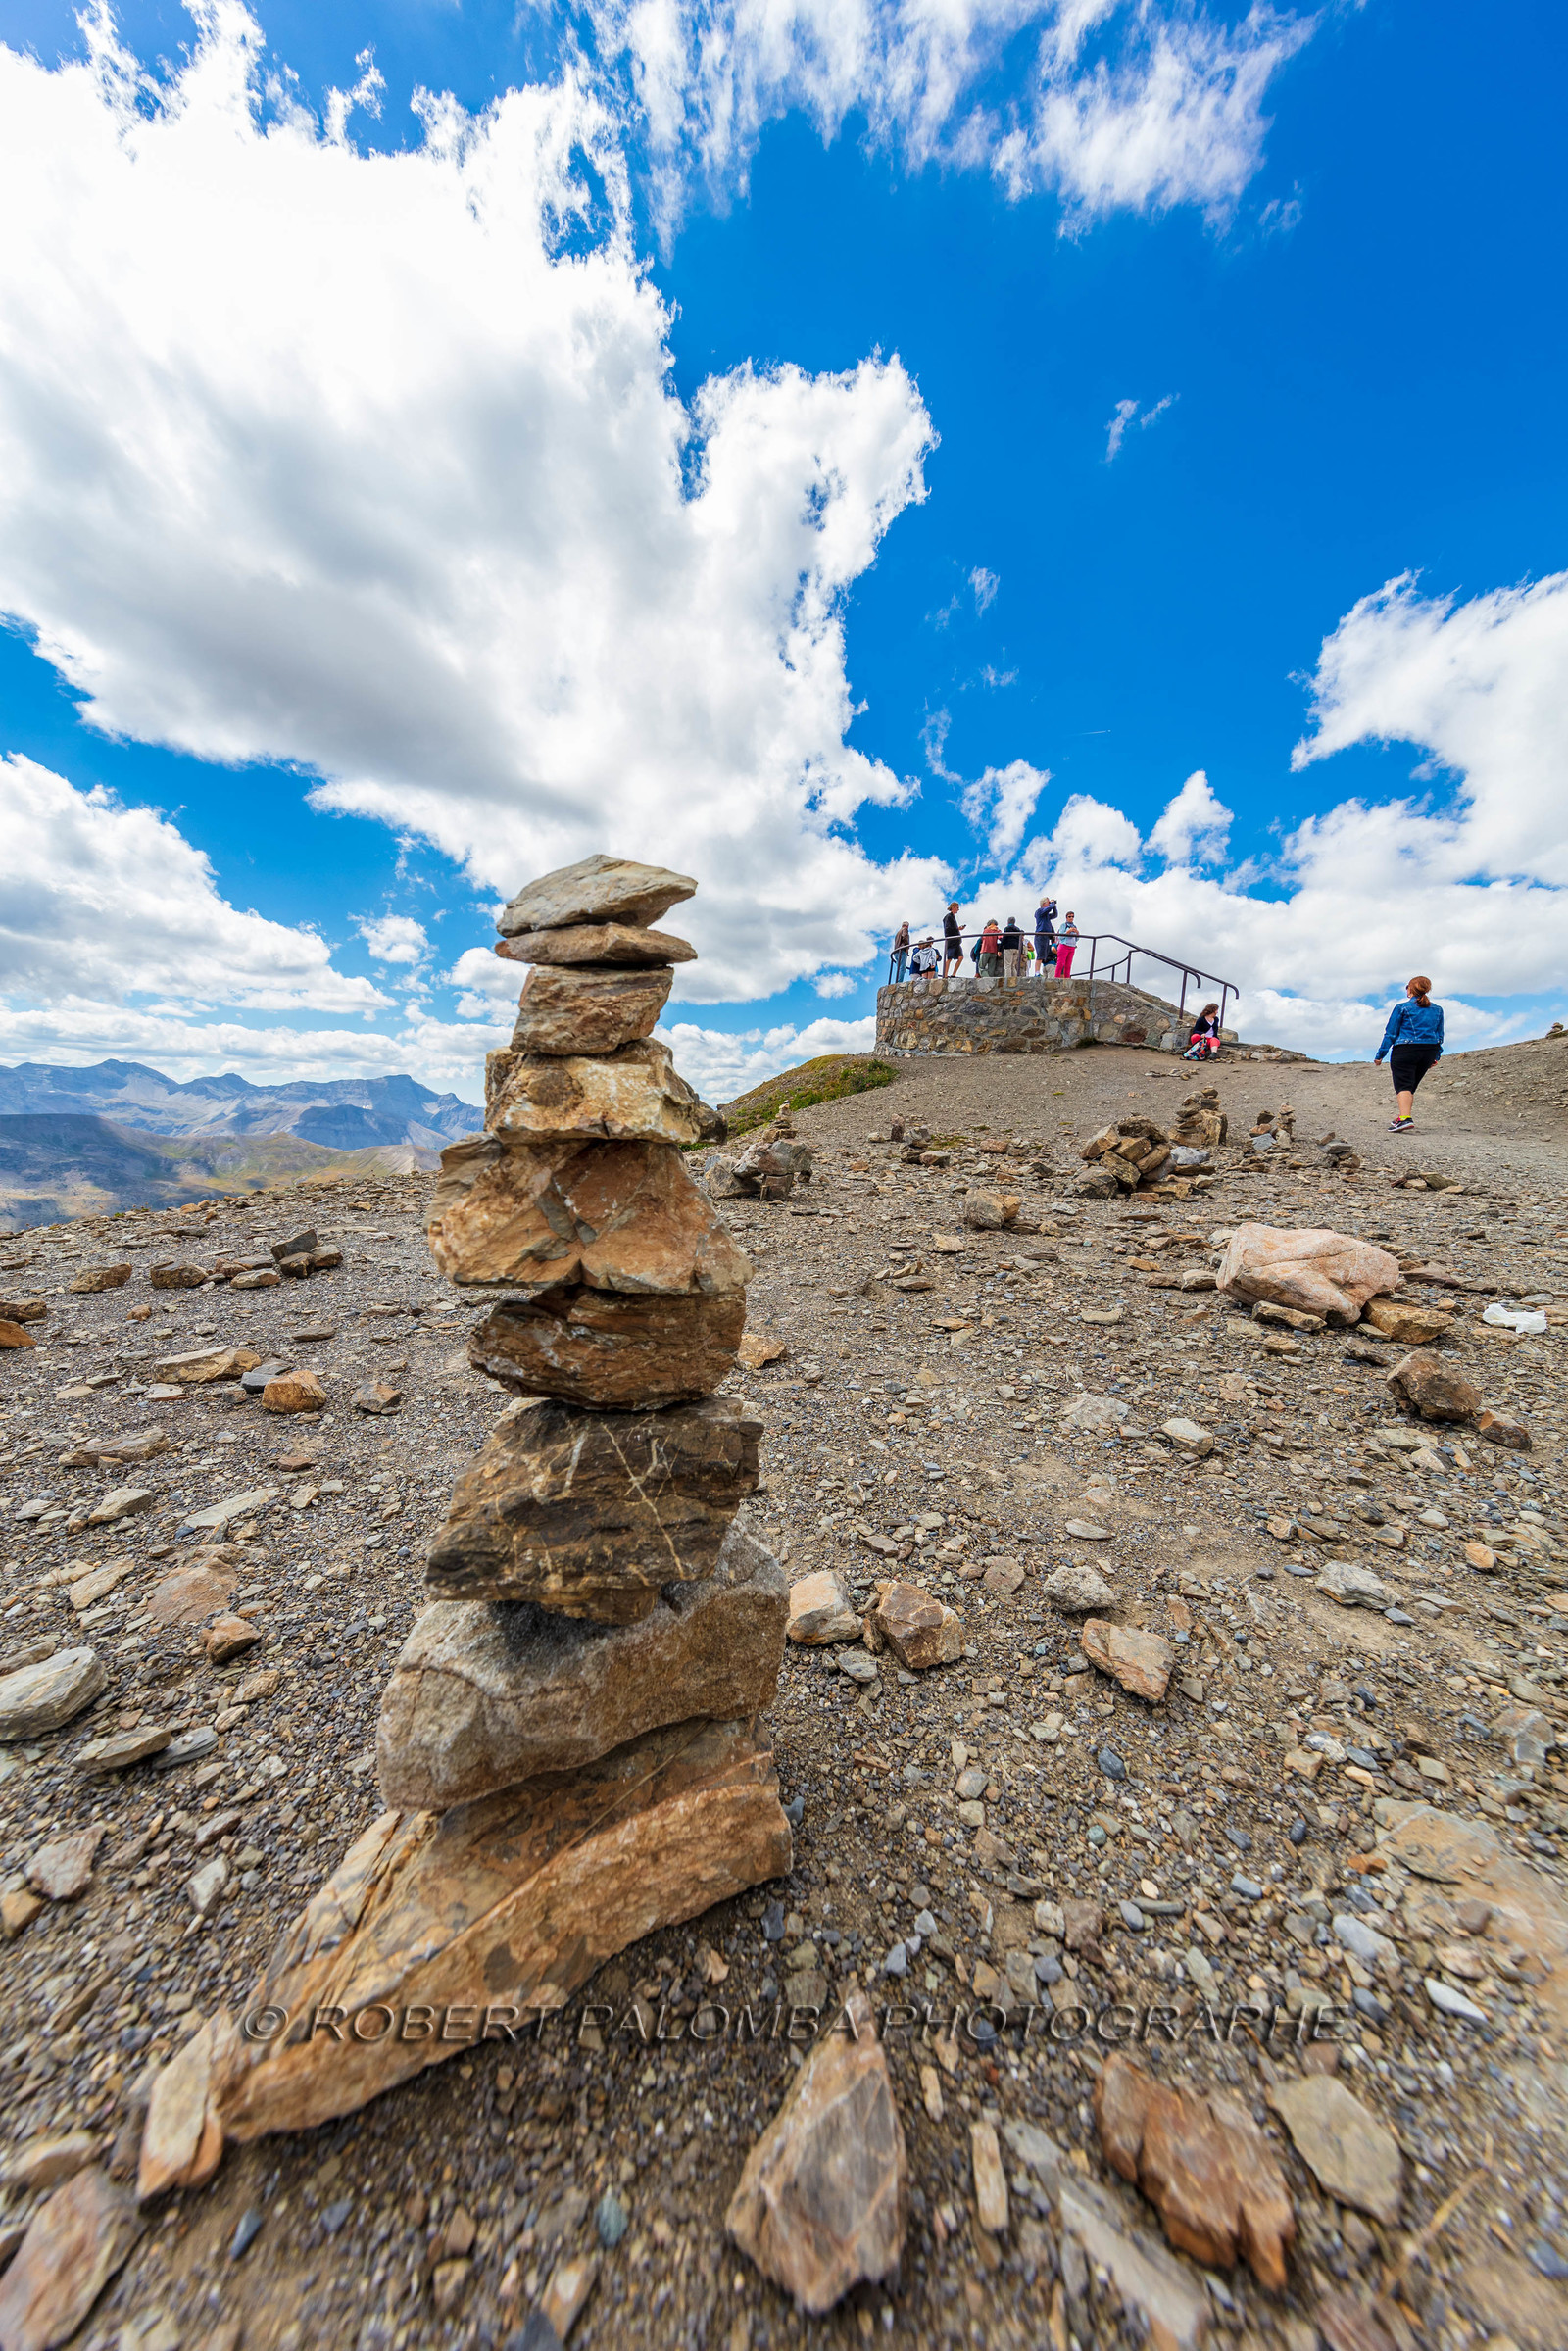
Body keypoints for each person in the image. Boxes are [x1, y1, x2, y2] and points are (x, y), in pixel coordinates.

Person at [1375, 975, 1444, 1131]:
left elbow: (1390, 1034)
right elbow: (1440, 1036)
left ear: (1410, 990)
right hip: (1428, 1050)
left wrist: (1380, 1055)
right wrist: (1436, 1056)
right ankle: (1402, 1116)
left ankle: (1405, 1118)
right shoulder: (1438, 1010)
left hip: (1405, 1050)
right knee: (1410, 1086)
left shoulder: (1402, 1008)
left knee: (1404, 1085)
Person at [1034, 896, 1057, 978]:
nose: (1049, 904)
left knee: (1043, 955)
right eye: (1048, 902)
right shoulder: (1039, 911)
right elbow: (1048, 909)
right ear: (1044, 903)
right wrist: (1052, 903)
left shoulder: (1046, 915)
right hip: (1040, 935)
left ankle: (1038, 972)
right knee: (1040, 955)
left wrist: (1054, 906)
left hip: (1046, 936)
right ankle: (1036, 973)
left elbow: (1055, 915)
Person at [1054, 912, 1080, 978]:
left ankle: (1067, 979)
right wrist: (1068, 932)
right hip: (1064, 946)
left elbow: (1077, 939)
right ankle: (1056, 978)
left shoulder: (1074, 926)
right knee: (1060, 964)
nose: (1071, 918)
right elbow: (1060, 937)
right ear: (1066, 918)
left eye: (1072, 917)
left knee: (1068, 965)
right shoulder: (1063, 925)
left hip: (1072, 947)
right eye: (1069, 917)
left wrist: (1077, 933)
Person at [942, 903, 963, 977]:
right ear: (953, 907)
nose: (958, 909)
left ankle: (954, 974)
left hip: (957, 941)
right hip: (951, 941)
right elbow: (947, 929)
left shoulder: (953, 917)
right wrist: (957, 929)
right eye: (957, 907)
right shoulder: (948, 917)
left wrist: (958, 929)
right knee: (949, 958)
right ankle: (945, 974)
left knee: (961, 957)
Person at [1000, 914, 1022, 978]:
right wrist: (1021, 950)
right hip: (1016, 948)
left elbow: (1004, 938)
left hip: (1008, 948)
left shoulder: (1007, 929)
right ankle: (1015, 978)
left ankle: (1008, 979)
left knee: (1008, 965)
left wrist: (999, 949)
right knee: (1013, 965)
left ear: (1008, 922)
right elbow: (1020, 940)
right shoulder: (1018, 929)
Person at [891, 920, 910, 984]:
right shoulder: (905, 929)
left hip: (896, 951)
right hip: (901, 950)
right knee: (902, 968)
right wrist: (907, 946)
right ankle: (899, 982)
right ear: (907, 926)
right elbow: (905, 937)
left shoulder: (898, 932)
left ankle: (897, 981)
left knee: (899, 968)